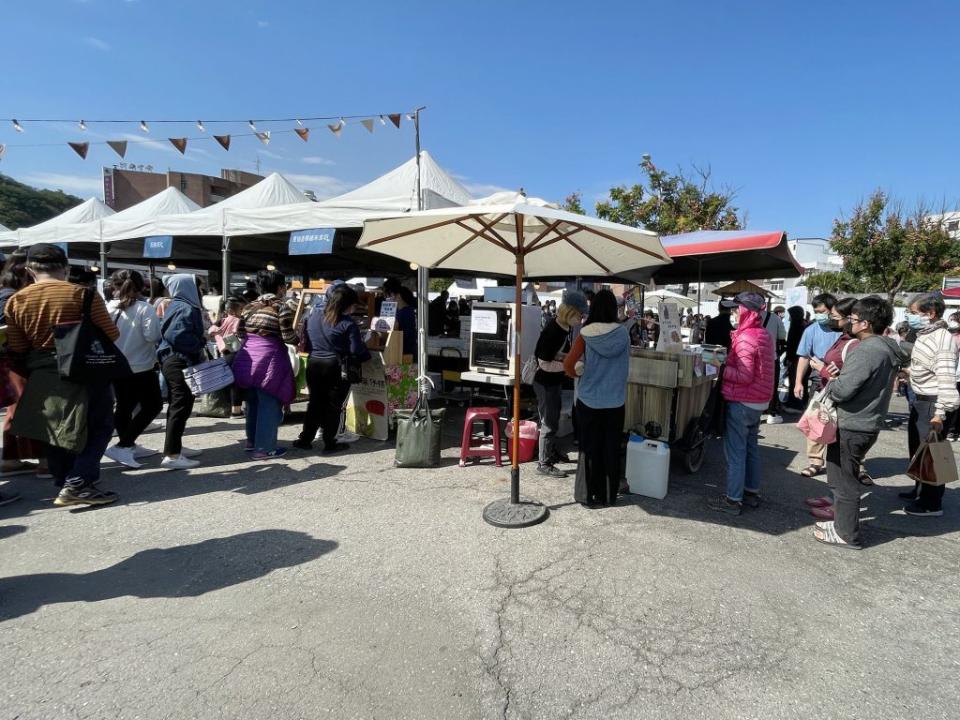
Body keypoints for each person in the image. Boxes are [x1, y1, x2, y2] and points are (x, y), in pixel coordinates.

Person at [5, 243, 121, 506]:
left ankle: (64, 480)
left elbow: (18, 346)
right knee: (99, 424)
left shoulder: (17, 300)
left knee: (54, 429)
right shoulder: (83, 295)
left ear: (30, 269)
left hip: (42, 372)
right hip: (85, 370)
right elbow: (112, 334)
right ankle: (79, 482)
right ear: (65, 269)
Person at [814, 297, 903, 548]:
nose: (849, 323)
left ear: (865, 323)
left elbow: (842, 390)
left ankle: (846, 533)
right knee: (842, 476)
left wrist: (830, 378)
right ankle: (842, 523)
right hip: (865, 421)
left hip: (853, 423)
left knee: (844, 481)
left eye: (852, 319)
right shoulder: (885, 347)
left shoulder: (867, 350)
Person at [707, 292, 773, 515]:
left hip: (743, 400)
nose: (733, 313)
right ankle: (751, 492)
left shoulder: (746, 337)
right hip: (758, 401)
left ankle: (733, 500)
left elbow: (744, 376)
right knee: (751, 449)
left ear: (747, 312)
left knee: (736, 453)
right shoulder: (763, 334)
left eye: (736, 309)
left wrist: (721, 367)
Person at [563, 289, 629, 507]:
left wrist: (579, 373)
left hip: (589, 400)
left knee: (588, 448)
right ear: (613, 308)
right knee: (611, 447)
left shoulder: (585, 333)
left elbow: (568, 365)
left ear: (593, 307)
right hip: (615, 401)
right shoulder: (623, 334)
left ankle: (586, 495)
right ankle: (608, 496)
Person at [899, 292, 960, 516]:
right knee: (918, 451)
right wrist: (909, 373)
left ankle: (931, 503)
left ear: (931, 314)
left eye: (914, 313)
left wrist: (940, 413)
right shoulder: (925, 334)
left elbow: (945, 378)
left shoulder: (942, 338)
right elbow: (926, 366)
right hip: (920, 399)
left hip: (934, 403)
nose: (910, 317)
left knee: (933, 454)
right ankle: (919, 489)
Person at [294, 285, 371, 453]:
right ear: (347, 305)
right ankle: (330, 442)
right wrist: (366, 355)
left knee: (314, 403)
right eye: (353, 305)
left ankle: (305, 439)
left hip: (314, 364)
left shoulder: (313, 316)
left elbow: (305, 341)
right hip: (335, 367)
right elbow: (356, 350)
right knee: (333, 406)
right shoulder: (347, 323)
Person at [232, 270, 298, 459]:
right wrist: (298, 338)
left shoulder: (249, 306)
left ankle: (252, 441)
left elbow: (241, 332)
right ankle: (265, 448)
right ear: (280, 288)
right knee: (269, 402)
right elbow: (287, 335)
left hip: (247, 358)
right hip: (269, 358)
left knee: (252, 402)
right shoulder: (280, 306)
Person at [104, 270, 162, 469]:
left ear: (114, 285)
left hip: (115, 365)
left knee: (124, 405)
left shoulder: (107, 307)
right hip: (141, 366)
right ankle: (124, 445)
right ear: (141, 286)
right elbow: (152, 336)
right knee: (153, 405)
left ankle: (129, 444)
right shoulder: (144, 308)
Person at [0, 250, 47, 492]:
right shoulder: (15, 299)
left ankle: (10, 458)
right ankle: (45, 462)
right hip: (20, 360)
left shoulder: (4, 295)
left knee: (14, 411)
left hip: (10, 363)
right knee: (37, 410)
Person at [157, 274, 207, 470]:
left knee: (181, 405)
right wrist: (200, 342)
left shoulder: (178, 304)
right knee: (180, 405)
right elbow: (177, 335)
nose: (201, 291)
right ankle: (172, 455)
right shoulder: (186, 307)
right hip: (179, 361)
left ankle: (175, 447)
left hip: (173, 361)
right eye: (198, 287)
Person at [532, 298, 585, 478]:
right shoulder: (553, 330)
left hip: (551, 381)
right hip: (544, 381)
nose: (581, 317)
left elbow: (553, 355)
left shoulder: (563, 327)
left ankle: (550, 453)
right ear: (569, 313)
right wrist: (568, 365)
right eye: (579, 314)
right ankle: (544, 463)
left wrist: (566, 357)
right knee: (549, 422)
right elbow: (544, 362)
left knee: (552, 419)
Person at [793, 294, 841, 478]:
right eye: (816, 311)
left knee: (839, 422)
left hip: (842, 380)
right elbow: (804, 356)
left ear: (832, 310)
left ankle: (843, 463)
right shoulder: (811, 330)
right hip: (818, 380)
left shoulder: (845, 330)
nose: (819, 315)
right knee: (816, 420)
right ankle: (815, 461)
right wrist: (798, 382)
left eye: (822, 311)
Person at [209, 296, 246, 417]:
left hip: (224, 354)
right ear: (234, 310)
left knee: (229, 382)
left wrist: (220, 334)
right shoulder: (238, 320)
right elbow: (242, 337)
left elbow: (210, 331)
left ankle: (228, 408)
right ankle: (236, 411)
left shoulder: (221, 320)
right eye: (241, 308)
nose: (242, 311)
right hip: (236, 353)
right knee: (237, 383)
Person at [759, 303, 787, 424]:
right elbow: (782, 335)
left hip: (752, 355)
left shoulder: (747, 315)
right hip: (771, 356)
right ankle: (771, 412)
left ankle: (756, 410)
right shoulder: (774, 318)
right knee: (771, 385)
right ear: (764, 305)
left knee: (755, 383)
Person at [782, 306, 807, 412]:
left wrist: (788, 358)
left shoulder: (797, 327)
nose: (789, 319)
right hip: (799, 358)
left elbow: (792, 345)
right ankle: (799, 402)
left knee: (795, 380)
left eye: (791, 316)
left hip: (796, 359)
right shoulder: (804, 325)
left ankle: (795, 403)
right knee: (799, 380)